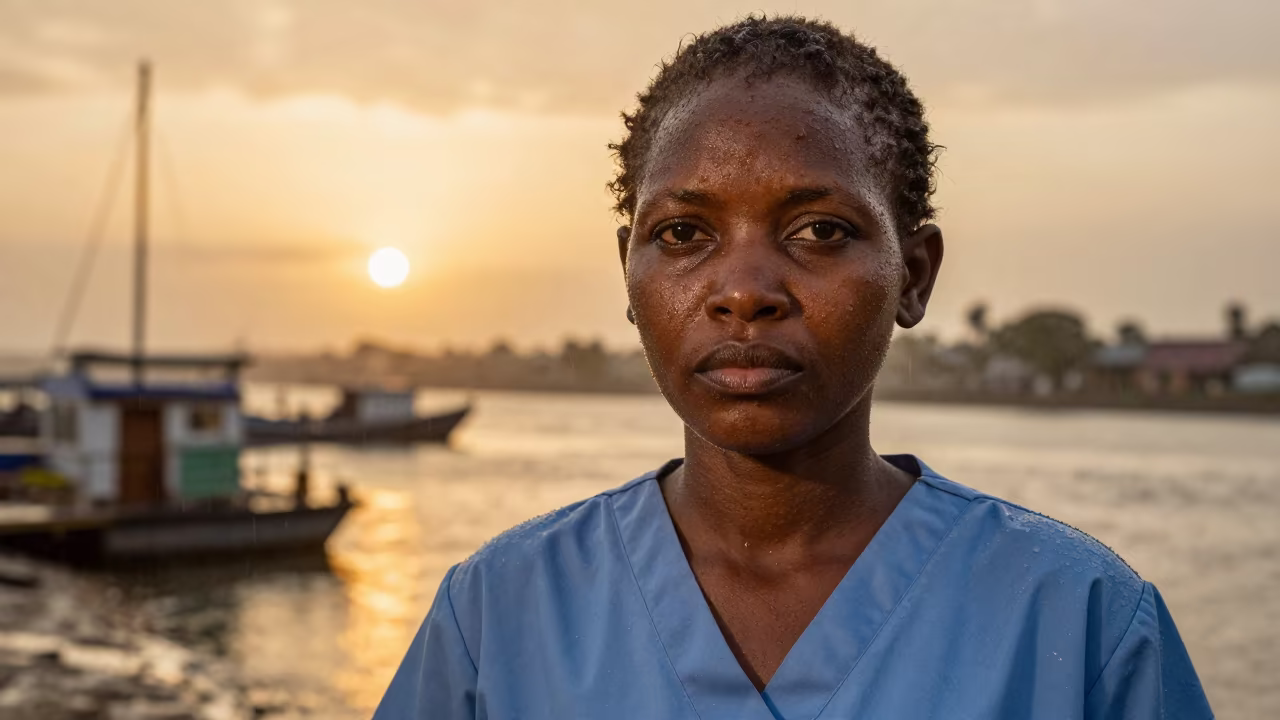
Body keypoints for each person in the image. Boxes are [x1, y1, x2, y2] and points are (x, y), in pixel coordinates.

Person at [374, 15, 1212, 719]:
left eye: (819, 231)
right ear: (627, 276)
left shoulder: (1082, 625)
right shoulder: (497, 619)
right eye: (682, 234)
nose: (744, 291)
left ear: (914, 276)